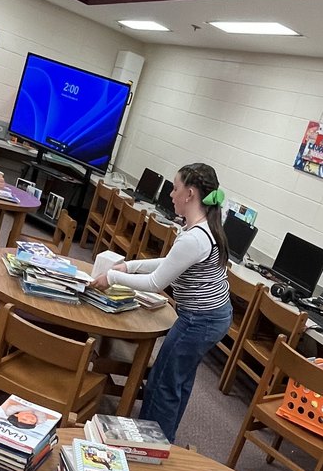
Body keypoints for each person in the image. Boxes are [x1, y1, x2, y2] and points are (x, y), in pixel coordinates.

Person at [91, 163, 233, 443]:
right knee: (179, 378)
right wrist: (129, 267)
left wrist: (113, 277)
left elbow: (156, 283)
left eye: (175, 187)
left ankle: (151, 444)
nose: (171, 194)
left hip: (199, 320)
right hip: (213, 317)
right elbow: (170, 263)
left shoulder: (195, 238)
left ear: (190, 194)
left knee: (163, 382)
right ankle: (166, 440)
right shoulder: (205, 228)